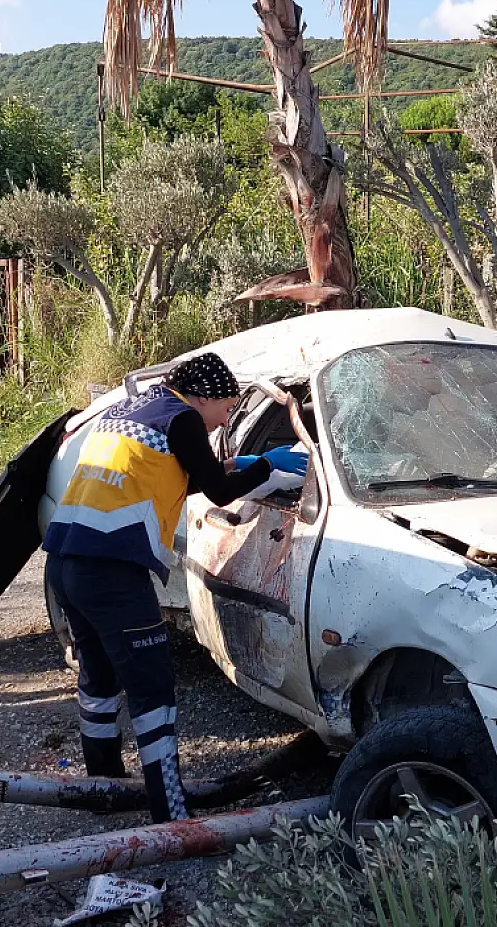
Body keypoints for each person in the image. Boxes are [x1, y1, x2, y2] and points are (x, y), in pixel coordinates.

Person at [43, 353, 308, 823]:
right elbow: (220, 493)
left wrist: (232, 465)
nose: (224, 419)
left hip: (65, 559)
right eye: (225, 408)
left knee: (99, 677)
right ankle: (170, 813)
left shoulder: (132, 410)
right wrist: (266, 465)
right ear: (202, 397)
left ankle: (102, 786)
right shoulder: (184, 417)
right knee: (153, 690)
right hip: (111, 571)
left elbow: (159, 476)